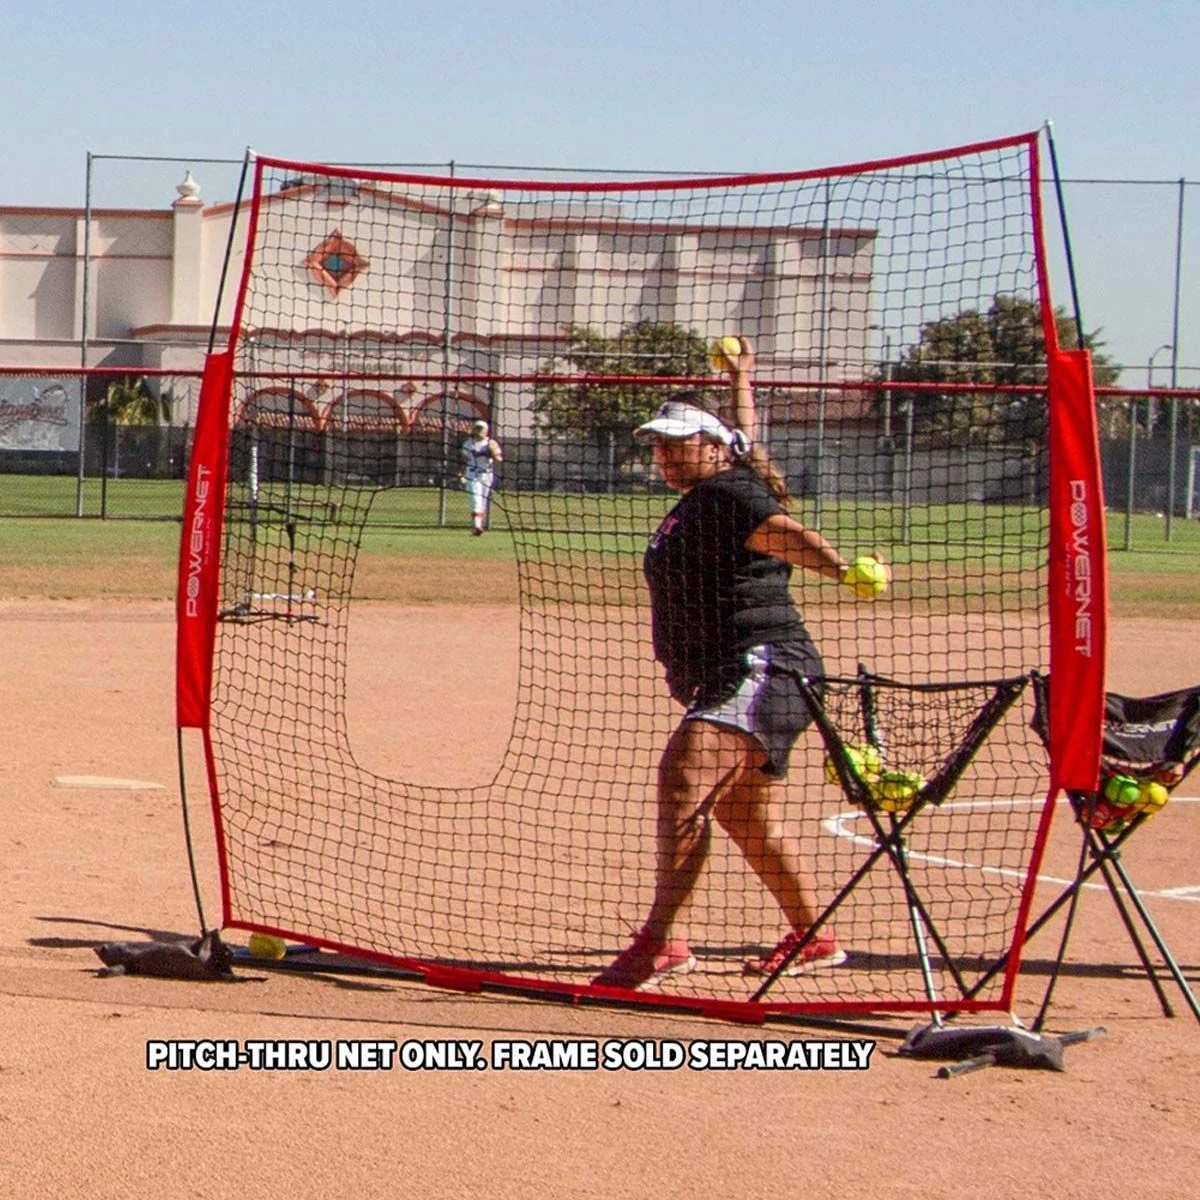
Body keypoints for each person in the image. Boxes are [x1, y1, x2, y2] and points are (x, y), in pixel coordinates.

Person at [592, 337, 887, 990]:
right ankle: (813, 936)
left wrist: (841, 570)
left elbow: (785, 534)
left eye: (679, 444)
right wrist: (741, 381)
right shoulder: (722, 482)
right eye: (659, 445)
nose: (666, 454)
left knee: (684, 779)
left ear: (712, 447)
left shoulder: (727, 494)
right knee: (744, 816)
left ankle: (661, 944)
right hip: (737, 670)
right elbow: (748, 436)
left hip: (761, 665)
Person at [460, 418, 503, 535]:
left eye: (481, 429)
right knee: (476, 499)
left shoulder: (491, 443)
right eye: (477, 428)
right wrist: (461, 473)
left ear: (486, 430)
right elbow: (464, 459)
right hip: (472, 474)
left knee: (483, 502)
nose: (479, 431)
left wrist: (492, 452)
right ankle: (477, 526)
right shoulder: (468, 443)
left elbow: (499, 458)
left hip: (486, 475)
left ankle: (477, 525)